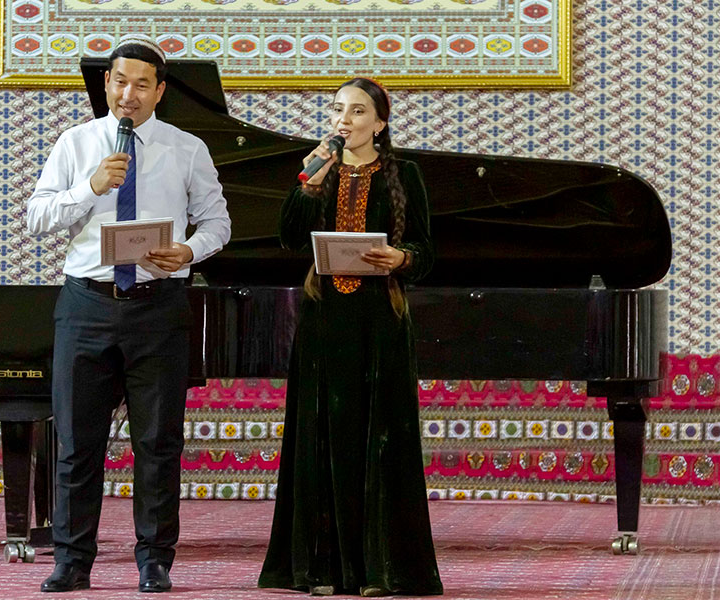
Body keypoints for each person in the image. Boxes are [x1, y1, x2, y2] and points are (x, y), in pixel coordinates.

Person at [26, 36, 231, 593]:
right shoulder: (76, 142)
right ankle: (72, 560)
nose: (128, 94)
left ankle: (155, 560)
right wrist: (89, 188)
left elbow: (218, 222)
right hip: (86, 305)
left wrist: (188, 251)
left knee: (158, 443)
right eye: (120, 81)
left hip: (158, 307)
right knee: (76, 443)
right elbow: (37, 217)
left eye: (142, 84)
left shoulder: (187, 148)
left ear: (160, 91)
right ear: (107, 84)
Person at [257, 78, 443, 597]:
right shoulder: (320, 170)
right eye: (338, 109)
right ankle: (320, 569)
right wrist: (307, 185)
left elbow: (427, 253)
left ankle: (381, 571)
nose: (345, 119)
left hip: (380, 323)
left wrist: (401, 258)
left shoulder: (404, 175)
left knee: (379, 440)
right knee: (320, 437)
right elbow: (288, 237)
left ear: (379, 123)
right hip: (323, 322)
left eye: (358, 111)